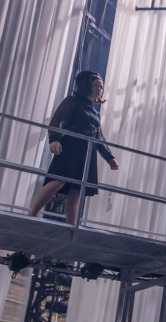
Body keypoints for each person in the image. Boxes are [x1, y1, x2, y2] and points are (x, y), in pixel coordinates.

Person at [28, 71, 119, 222]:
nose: (99, 89)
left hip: (86, 151)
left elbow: (98, 138)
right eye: (96, 85)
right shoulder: (72, 101)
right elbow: (55, 121)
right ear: (86, 85)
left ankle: (71, 228)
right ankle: (31, 215)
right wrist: (54, 140)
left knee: (76, 190)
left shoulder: (95, 113)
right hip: (71, 145)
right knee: (58, 181)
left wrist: (110, 158)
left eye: (101, 87)